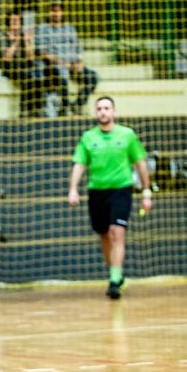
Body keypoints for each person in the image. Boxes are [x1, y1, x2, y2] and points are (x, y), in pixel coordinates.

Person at [68, 96, 152, 299]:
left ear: (114, 111)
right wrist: (73, 189)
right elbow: (80, 164)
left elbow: (140, 163)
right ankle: (116, 274)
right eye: (99, 108)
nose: (103, 112)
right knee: (104, 235)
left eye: (106, 108)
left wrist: (146, 191)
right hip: (97, 191)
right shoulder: (88, 137)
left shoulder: (127, 135)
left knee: (117, 232)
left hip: (121, 190)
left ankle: (114, 281)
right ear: (96, 112)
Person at [36, 0, 98, 116]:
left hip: (71, 66)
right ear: (49, 12)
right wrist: (62, 63)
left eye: (58, 11)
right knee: (61, 79)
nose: (56, 14)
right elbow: (42, 52)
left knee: (92, 77)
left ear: (62, 12)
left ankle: (77, 105)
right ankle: (64, 109)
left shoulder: (70, 28)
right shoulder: (43, 29)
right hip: (52, 67)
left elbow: (77, 48)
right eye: (53, 11)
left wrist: (79, 62)